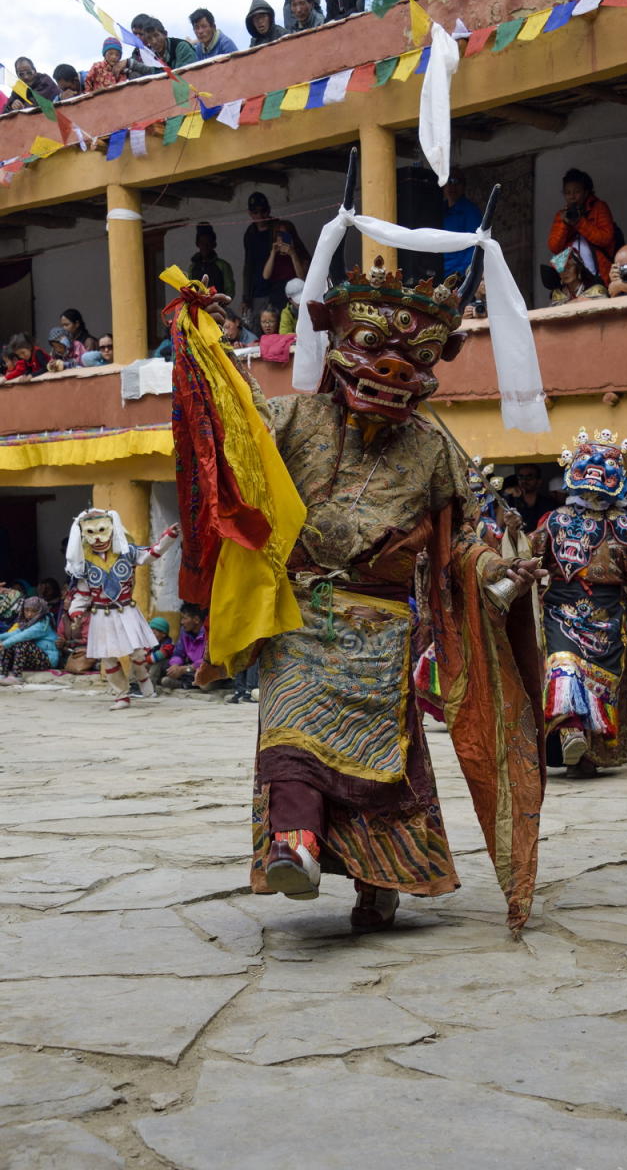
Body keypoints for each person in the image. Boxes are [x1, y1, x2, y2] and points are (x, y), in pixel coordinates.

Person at [167, 252, 546, 935]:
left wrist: (495, 572)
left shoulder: (434, 451)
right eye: (372, 347)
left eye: (413, 358)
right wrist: (207, 345)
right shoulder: (296, 419)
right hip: (299, 616)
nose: (391, 370)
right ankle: (298, 849)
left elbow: (457, 542)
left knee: (382, 769)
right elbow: (237, 434)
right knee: (288, 739)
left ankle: (381, 882)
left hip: (380, 634)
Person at [535, 426, 627, 777]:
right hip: (560, 611)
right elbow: (529, 560)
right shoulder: (554, 522)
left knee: (602, 688)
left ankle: (589, 757)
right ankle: (570, 732)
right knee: (563, 667)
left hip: (608, 619)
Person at [65, 509, 180, 710]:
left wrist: (168, 537)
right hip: (101, 614)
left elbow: (151, 554)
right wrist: (75, 612)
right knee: (108, 658)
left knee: (137, 653)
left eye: (102, 530)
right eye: (91, 532)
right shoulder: (85, 563)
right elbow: (83, 593)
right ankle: (121, 696)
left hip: (125, 611)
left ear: (111, 530)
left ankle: (143, 676)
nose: (98, 537)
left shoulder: (127, 552)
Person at [548, 168, 616, 281]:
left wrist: (580, 223)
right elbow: (554, 247)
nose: (572, 197)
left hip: (598, 273)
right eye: (567, 193)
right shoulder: (561, 215)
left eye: (576, 192)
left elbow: (606, 238)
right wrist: (564, 224)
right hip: (571, 276)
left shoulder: (599, 207)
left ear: (586, 192)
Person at [0, 597, 59, 684]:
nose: (29, 614)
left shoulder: (42, 624)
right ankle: (2, 674)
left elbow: (22, 636)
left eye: (33, 611)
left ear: (40, 611)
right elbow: (13, 634)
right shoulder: (27, 623)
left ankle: (17, 677)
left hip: (47, 660)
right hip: (34, 659)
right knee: (10, 643)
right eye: (26, 610)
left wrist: (3, 644)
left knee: (20, 643)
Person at [261, 220, 311, 313]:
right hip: (277, 295)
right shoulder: (273, 254)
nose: (282, 239)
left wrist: (293, 254)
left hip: (296, 294)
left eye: (285, 235)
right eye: (279, 235)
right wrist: (273, 253)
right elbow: (265, 275)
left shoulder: (299, 253)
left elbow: (302, 276)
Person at [442, 170, 482, 280]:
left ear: (463, 186)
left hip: (458, 276)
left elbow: (475, 244)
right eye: (448, 181)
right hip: (438, 273)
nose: (452, 186)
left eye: (456, 182)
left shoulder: (470, 211)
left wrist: (461, 273)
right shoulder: (439, 210)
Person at [162, 604, 207, 689]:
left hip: (201, 667)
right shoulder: (184, 632)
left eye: (184, 618)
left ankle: (184, 684)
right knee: (164, 665)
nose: (181, 622)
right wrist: (175, 665)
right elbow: (178, 653)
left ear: (196, 620)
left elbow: (209, 660)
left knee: (204, 676)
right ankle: (187, 683)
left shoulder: (208, 633)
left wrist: (184, 669)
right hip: (189, 667)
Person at [188, 223, 235, 297]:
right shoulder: (192, 267)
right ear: (197, 244)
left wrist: (223, 302)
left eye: (208, 242)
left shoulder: (223, 265)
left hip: (217, 305)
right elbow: (189, 289)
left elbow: (229, 289)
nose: (205, 246)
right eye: (202, 242)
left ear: (214, 244)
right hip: (197, 307)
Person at [506, 464, 553, 533]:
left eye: (529, 477)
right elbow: (499, 524)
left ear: (539, 481)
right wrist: (506, 495)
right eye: (521, 477)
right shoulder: (511, 500)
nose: (524, 481)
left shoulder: (548, 504)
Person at [124, 14, 155, 79]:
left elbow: (156, 71)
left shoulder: (157, 49)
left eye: (141, 34)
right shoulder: (136, 53)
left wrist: (131, 64)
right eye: (135, 34)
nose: (137, 37)